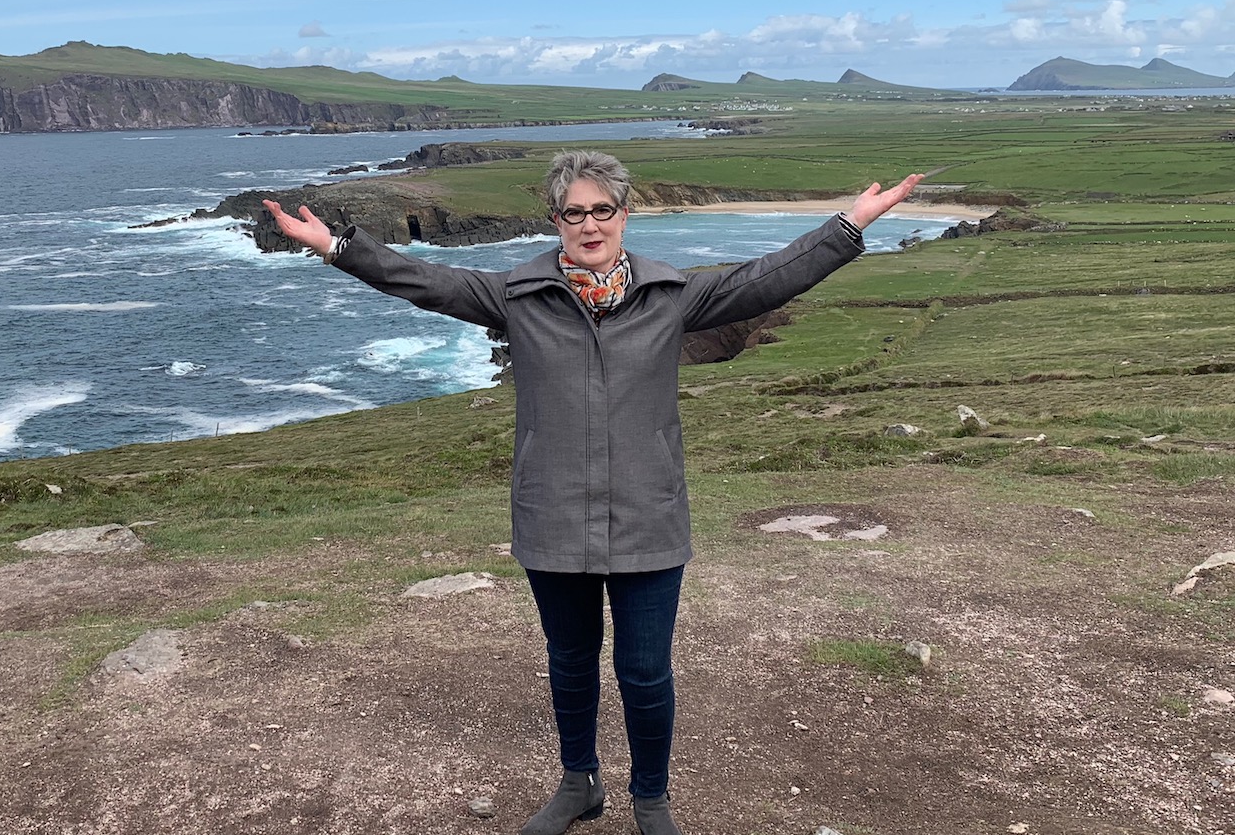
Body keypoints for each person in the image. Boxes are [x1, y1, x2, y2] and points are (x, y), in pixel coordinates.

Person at [263, 151, 922, 835]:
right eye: (573, 212)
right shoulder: (516, 295)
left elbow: (763, 280)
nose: (588, 224)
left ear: (623, 214)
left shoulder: (673, 295)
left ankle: (651, 798)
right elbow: (425, 280)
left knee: (644, 670)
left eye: (601, 209)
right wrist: (337, 246)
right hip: (552, 514)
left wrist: (848, 226)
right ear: (555, 221)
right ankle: (578, 783)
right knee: (570, 660)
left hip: (648, 513)